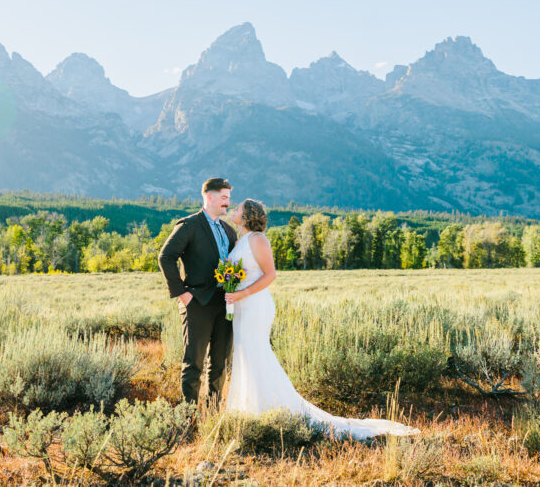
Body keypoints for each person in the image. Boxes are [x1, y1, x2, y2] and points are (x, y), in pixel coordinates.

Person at [223, 198, 419, 439]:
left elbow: (270, 274)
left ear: (247, 216)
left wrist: (241, 293)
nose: (233, 210)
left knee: (257, 355)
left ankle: (275, 412)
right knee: (245, 357)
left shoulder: (257, 239)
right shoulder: (240, 240)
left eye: (237, 209)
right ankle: (250, 412)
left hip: (254, 305)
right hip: (241, 307)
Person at [158, 177, 238, 405]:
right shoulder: (189, 225)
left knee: (220, 362)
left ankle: (213, 414)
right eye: (224, 198)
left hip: (225, 304)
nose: (227, 203)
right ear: (209, 197)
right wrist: (182, 293)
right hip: (197, 304)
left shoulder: (229, 231)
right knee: (194, 363)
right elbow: (165, 257)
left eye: (229, 199)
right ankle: (190, 417)